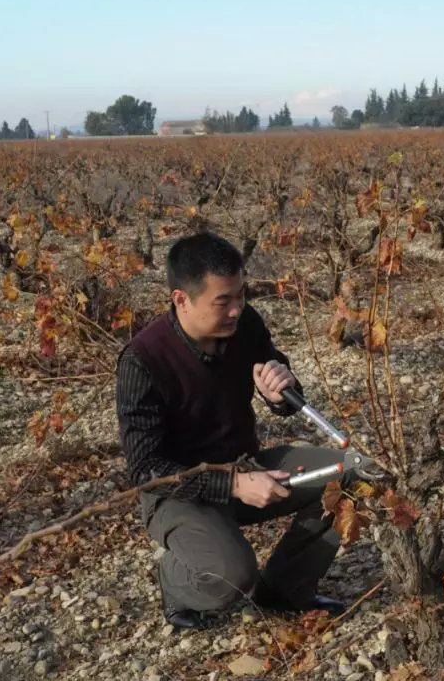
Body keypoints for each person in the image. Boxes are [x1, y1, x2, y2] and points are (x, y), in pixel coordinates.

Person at [115, 231, 347, 629]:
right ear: (181, 300)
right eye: (223, 301)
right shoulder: (142, 360)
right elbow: (146, 471)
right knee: (234, 576)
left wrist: (280, 390)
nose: (237, 309)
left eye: (241, 295)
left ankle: (285, 590)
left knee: (347, 473)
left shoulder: (245, 325)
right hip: (178, 494)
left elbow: (282, 390)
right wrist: (234, 486)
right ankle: (174, 580)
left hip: (248, 464)